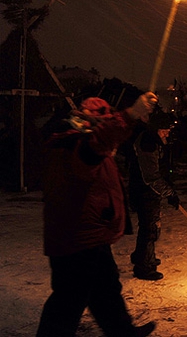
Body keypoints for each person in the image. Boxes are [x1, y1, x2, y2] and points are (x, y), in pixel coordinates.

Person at [37, 94, 157, 337]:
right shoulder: (74, 143)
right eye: (105, 119)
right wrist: (131, 113)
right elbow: (102, 139)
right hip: (75, 236)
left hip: (90, 233)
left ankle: (122, 331)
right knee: (68, 299)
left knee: (106, 288)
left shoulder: (82, 141)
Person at [123, 108, 180, 281]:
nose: (167, 133)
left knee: (152, 225)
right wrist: (169, 193)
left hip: (150, 192)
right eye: (164, 130)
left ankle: (143, 256)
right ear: (156, 129)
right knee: (149, 228)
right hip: (144, 191)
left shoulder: (156, 140)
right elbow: (151, 176)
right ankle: (143, 267)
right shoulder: (148, 143)